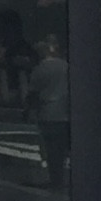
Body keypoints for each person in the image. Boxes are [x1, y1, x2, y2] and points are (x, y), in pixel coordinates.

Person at [27, 33, 72, 185]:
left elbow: (32, 94)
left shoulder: (39, 70)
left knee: (50, 150)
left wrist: (29, 110)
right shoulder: (67, 67)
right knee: (62, 149)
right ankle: (62, 177)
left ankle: (54, 178)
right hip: (65, 114)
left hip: (47, 114)